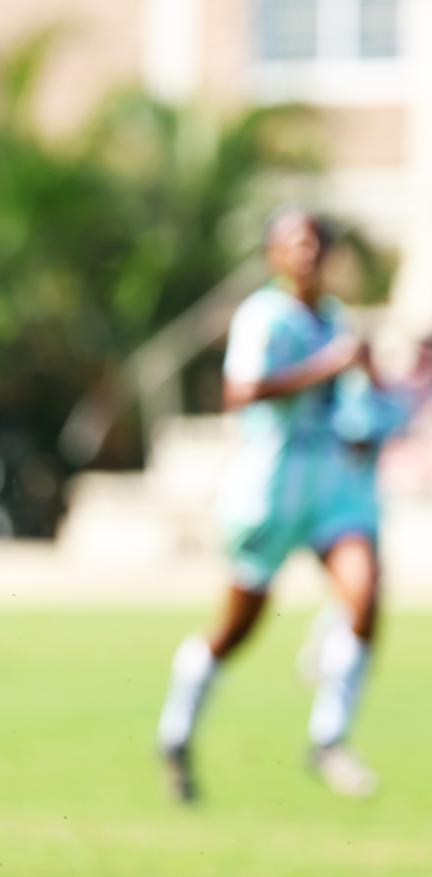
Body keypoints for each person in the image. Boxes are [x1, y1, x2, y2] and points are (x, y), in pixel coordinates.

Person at [156, 210, 385, 801]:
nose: (306, 253)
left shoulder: (333, 317)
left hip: (328, 483)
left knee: (364, 592)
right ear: (273, 255)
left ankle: (329, 740)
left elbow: (349, 399)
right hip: (269, 487)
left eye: (315, 243)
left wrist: (363, 409)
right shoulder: (263, 316)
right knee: (238, 628)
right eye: (294, 243)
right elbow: (241, 391)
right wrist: (325, 368)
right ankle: (176, 730)